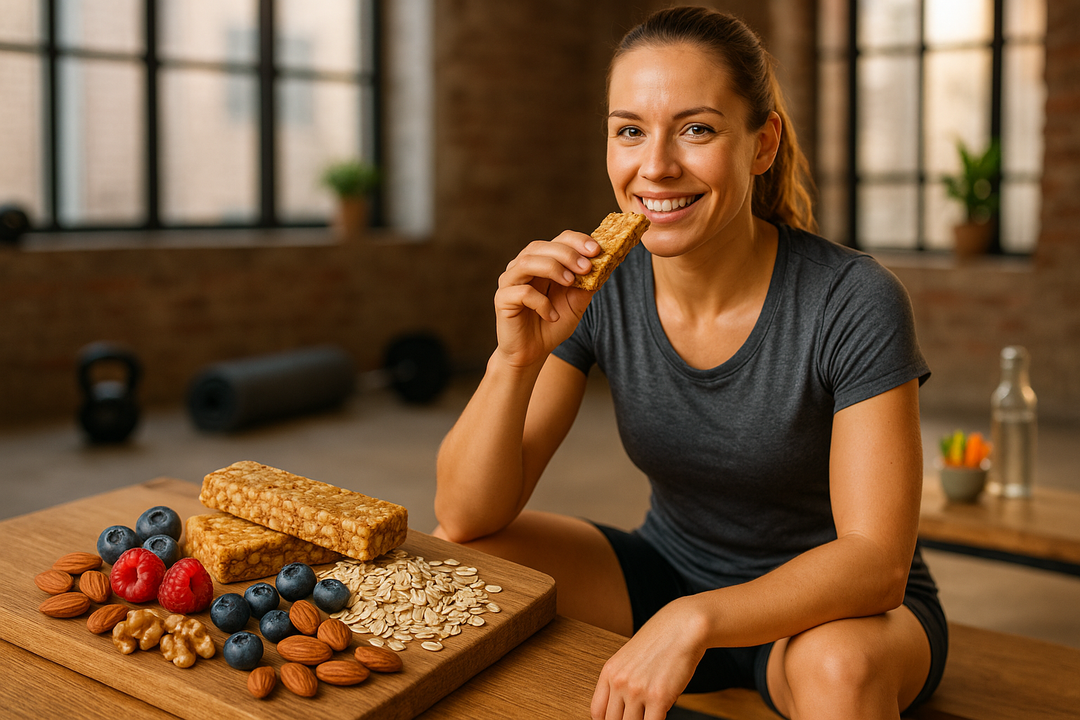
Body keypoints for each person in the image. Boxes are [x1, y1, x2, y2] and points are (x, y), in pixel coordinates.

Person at [433, 6, 947, 720]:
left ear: (761, 144)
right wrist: (515, 358)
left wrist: (693, 619)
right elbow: (465, 514)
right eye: (630, 131)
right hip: (669, 569)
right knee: (460, 560)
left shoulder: (851, 299)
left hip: (831, 613)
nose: (656, 166)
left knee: (838, 669)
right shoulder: (598, 286)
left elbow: (876, 562)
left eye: (697, 128)